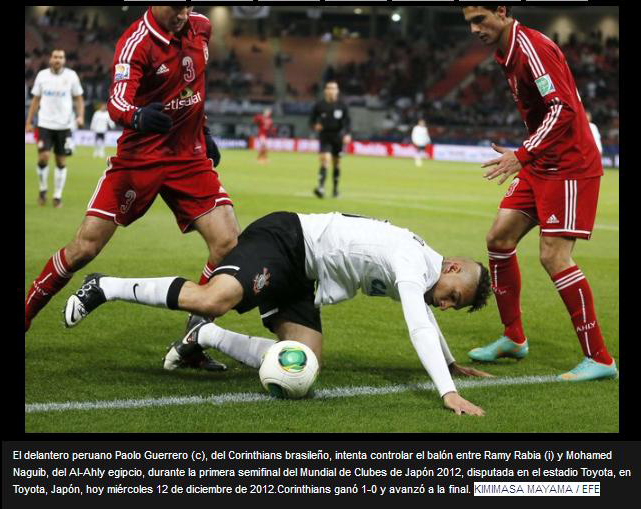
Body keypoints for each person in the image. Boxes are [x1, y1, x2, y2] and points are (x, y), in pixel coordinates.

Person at [64, 211, 493, 416]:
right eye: (453, 296)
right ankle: (105, 286)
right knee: (214, 299)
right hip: (285, 240)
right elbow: (418, 325)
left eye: (452, 305)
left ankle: (202, 337)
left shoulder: (424, 269)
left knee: (304, 365)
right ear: (451, 268)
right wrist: (447, 391)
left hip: (303, 277)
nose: (445, 304)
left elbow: (425, 315)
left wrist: (451, 360)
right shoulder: (409, 259)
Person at [25, 6, 240, 372]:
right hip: (140, 159)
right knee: (84, 248)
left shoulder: (201, 28)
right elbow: (117, 101)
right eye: (176, 7)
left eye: (188, 5)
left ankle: (193, 341)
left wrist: (202, 130)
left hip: (188, 158)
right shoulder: (136, 42)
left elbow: (193, 86)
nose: (183, 14)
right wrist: (136, 116)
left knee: (228, 243)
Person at [462, 6, 617, 381]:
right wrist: (530, 155)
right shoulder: (507, 50)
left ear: (502, 11)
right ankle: (513, 337)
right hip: (541, 161)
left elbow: (562, 109)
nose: (474, 28)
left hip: (569, 166)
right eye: (469, 22)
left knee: (554, 257)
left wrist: (523, 154)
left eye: (480, 19)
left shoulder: (532, 47)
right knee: (499, 238)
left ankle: (599, 358)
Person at [25, 48, 85, 208]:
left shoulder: (71, 76)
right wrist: (29, 122)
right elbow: (35, 100)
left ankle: (57, 195)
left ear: (64, 60)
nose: (57, 59)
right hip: (44, 123)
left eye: (61, 57)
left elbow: (79, 98)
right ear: (50, 59)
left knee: (60, 160)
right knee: (43, 157)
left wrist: (80, 116)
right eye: (55, 57)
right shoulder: (42, 75)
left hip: (64, 126)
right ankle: (43, 190)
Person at [310, 81, 351, 198]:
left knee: (337, 164)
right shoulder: (319, 105)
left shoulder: (342, 105)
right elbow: (312, 120)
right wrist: (315, 125)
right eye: (329, 88)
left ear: (337, 91)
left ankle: (335, 189)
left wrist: (347, 134)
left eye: (334, 88)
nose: (331, 90)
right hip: (325, 136)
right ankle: (321, 187)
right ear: (325, 91)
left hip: (338, 137)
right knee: (325, 159)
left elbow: (347, 122)